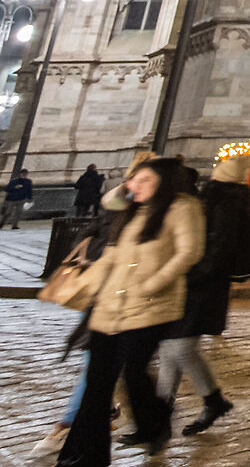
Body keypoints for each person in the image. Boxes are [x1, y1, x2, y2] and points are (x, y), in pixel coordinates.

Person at [56, 157, 205, 466]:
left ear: (164, 182)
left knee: (133, 373)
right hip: (110, 304)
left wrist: (154, 283)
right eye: (133, 179)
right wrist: (85, 286)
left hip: (150, 308)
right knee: (97, 384)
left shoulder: (182, 208)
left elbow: (189, 252)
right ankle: (84, 457)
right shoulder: (133, 210)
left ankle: (156, 421)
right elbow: (111, 252)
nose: (134, 184)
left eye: (144, 179)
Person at [156, 154, 250, 437]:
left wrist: (189, 274)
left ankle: (211, 401)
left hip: (203, 290)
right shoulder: (218, 200)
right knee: (170, 347)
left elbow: (217, 251)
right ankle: (160, 416)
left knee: (178, 348)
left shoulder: (225, 204)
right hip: (199, 286)